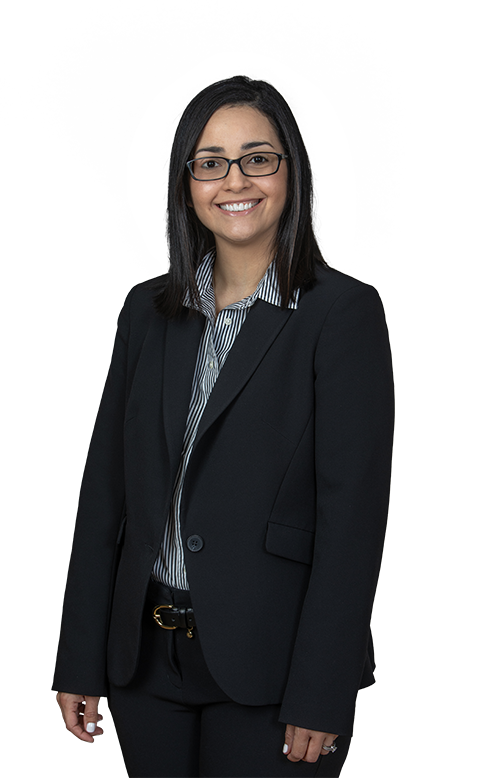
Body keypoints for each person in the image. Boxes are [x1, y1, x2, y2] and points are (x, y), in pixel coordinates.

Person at [53, 74, 394, 777]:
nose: (234, 181)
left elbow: (352, 521)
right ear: (187, 184)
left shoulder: (342, 313)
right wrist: (79, 656)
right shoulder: (145, 311)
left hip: (273, 669)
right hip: (144, 664)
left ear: (292, 172)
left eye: (257, 158)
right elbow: (103, 496)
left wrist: (323, 689)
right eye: (211, 163)